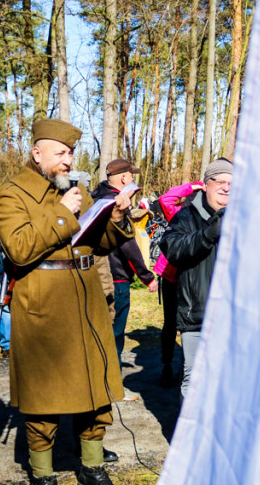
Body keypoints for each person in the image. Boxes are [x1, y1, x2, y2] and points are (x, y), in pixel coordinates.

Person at [0, 119, 133, 485]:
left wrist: (117, 216)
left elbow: (100, 241)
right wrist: (62, 213)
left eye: (71, 154)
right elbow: (19, 249)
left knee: (96, 390)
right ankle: (43, 476)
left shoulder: (77, 190)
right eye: (60, 153)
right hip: (42, 305)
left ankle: (92, 467)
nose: (68, 161)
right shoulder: (12, 194)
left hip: (87, 300)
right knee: (43, 401)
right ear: (37, 153)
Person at [160, 158, 233, 399]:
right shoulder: (187, 215)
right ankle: (189, 436)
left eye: (232, 183)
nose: (226, 187)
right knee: (194, 382)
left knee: (229, 381)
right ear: (206, 184)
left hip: (236, 317)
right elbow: (172, 248)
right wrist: (209, 234)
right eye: (220, 181)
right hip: (197, 316)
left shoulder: (248, 217)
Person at [91, 159, 158, 363]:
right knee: (115, 332)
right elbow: (127, 245)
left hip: (95, 276)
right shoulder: (117, 205)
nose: (132, 179)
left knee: (98, 330)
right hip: (116, 278)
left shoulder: (96, 199)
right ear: (123, 178)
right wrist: (147, 277)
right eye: (131, 175)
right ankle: (113, 383)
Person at [153, 180, 204, 388]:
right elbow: (166, 198)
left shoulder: (212, 217)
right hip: (172, 275)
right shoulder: (180, 214)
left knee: (191, 323)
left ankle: (189, 366)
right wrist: (195, 185)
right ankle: (167, 365)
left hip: (194, 277)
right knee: (171, 323)